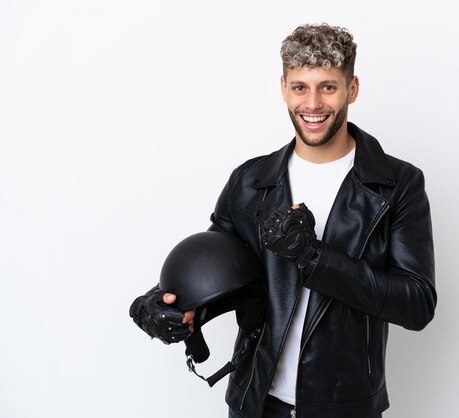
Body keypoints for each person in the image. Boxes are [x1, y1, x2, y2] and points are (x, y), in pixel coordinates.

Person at [130, 23, 436, 418]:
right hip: (254, 403)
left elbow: (417, 304)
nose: (312, 103)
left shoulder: (397, 185)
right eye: (299, 87)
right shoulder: (251, 181)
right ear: (283, 88)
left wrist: (314, 258)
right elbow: (218, 273)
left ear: (352, 89)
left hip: (345, 407)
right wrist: (168, 305)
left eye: (328, 86)